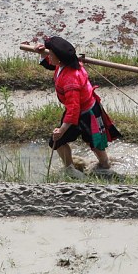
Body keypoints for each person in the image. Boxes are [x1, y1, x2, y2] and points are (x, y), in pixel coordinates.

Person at [27, 35, 120, 179]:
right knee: (57, 142)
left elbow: (73, 109)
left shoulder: (71, 80)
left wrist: (62, 130)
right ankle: (70, 168)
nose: (48, 56)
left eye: (50, 54)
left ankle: (105, 165)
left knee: (94, 142)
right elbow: (52, 65)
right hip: (79, 109)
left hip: (86, 113)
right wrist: (42, 53)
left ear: (59, 59)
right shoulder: (65, 64)